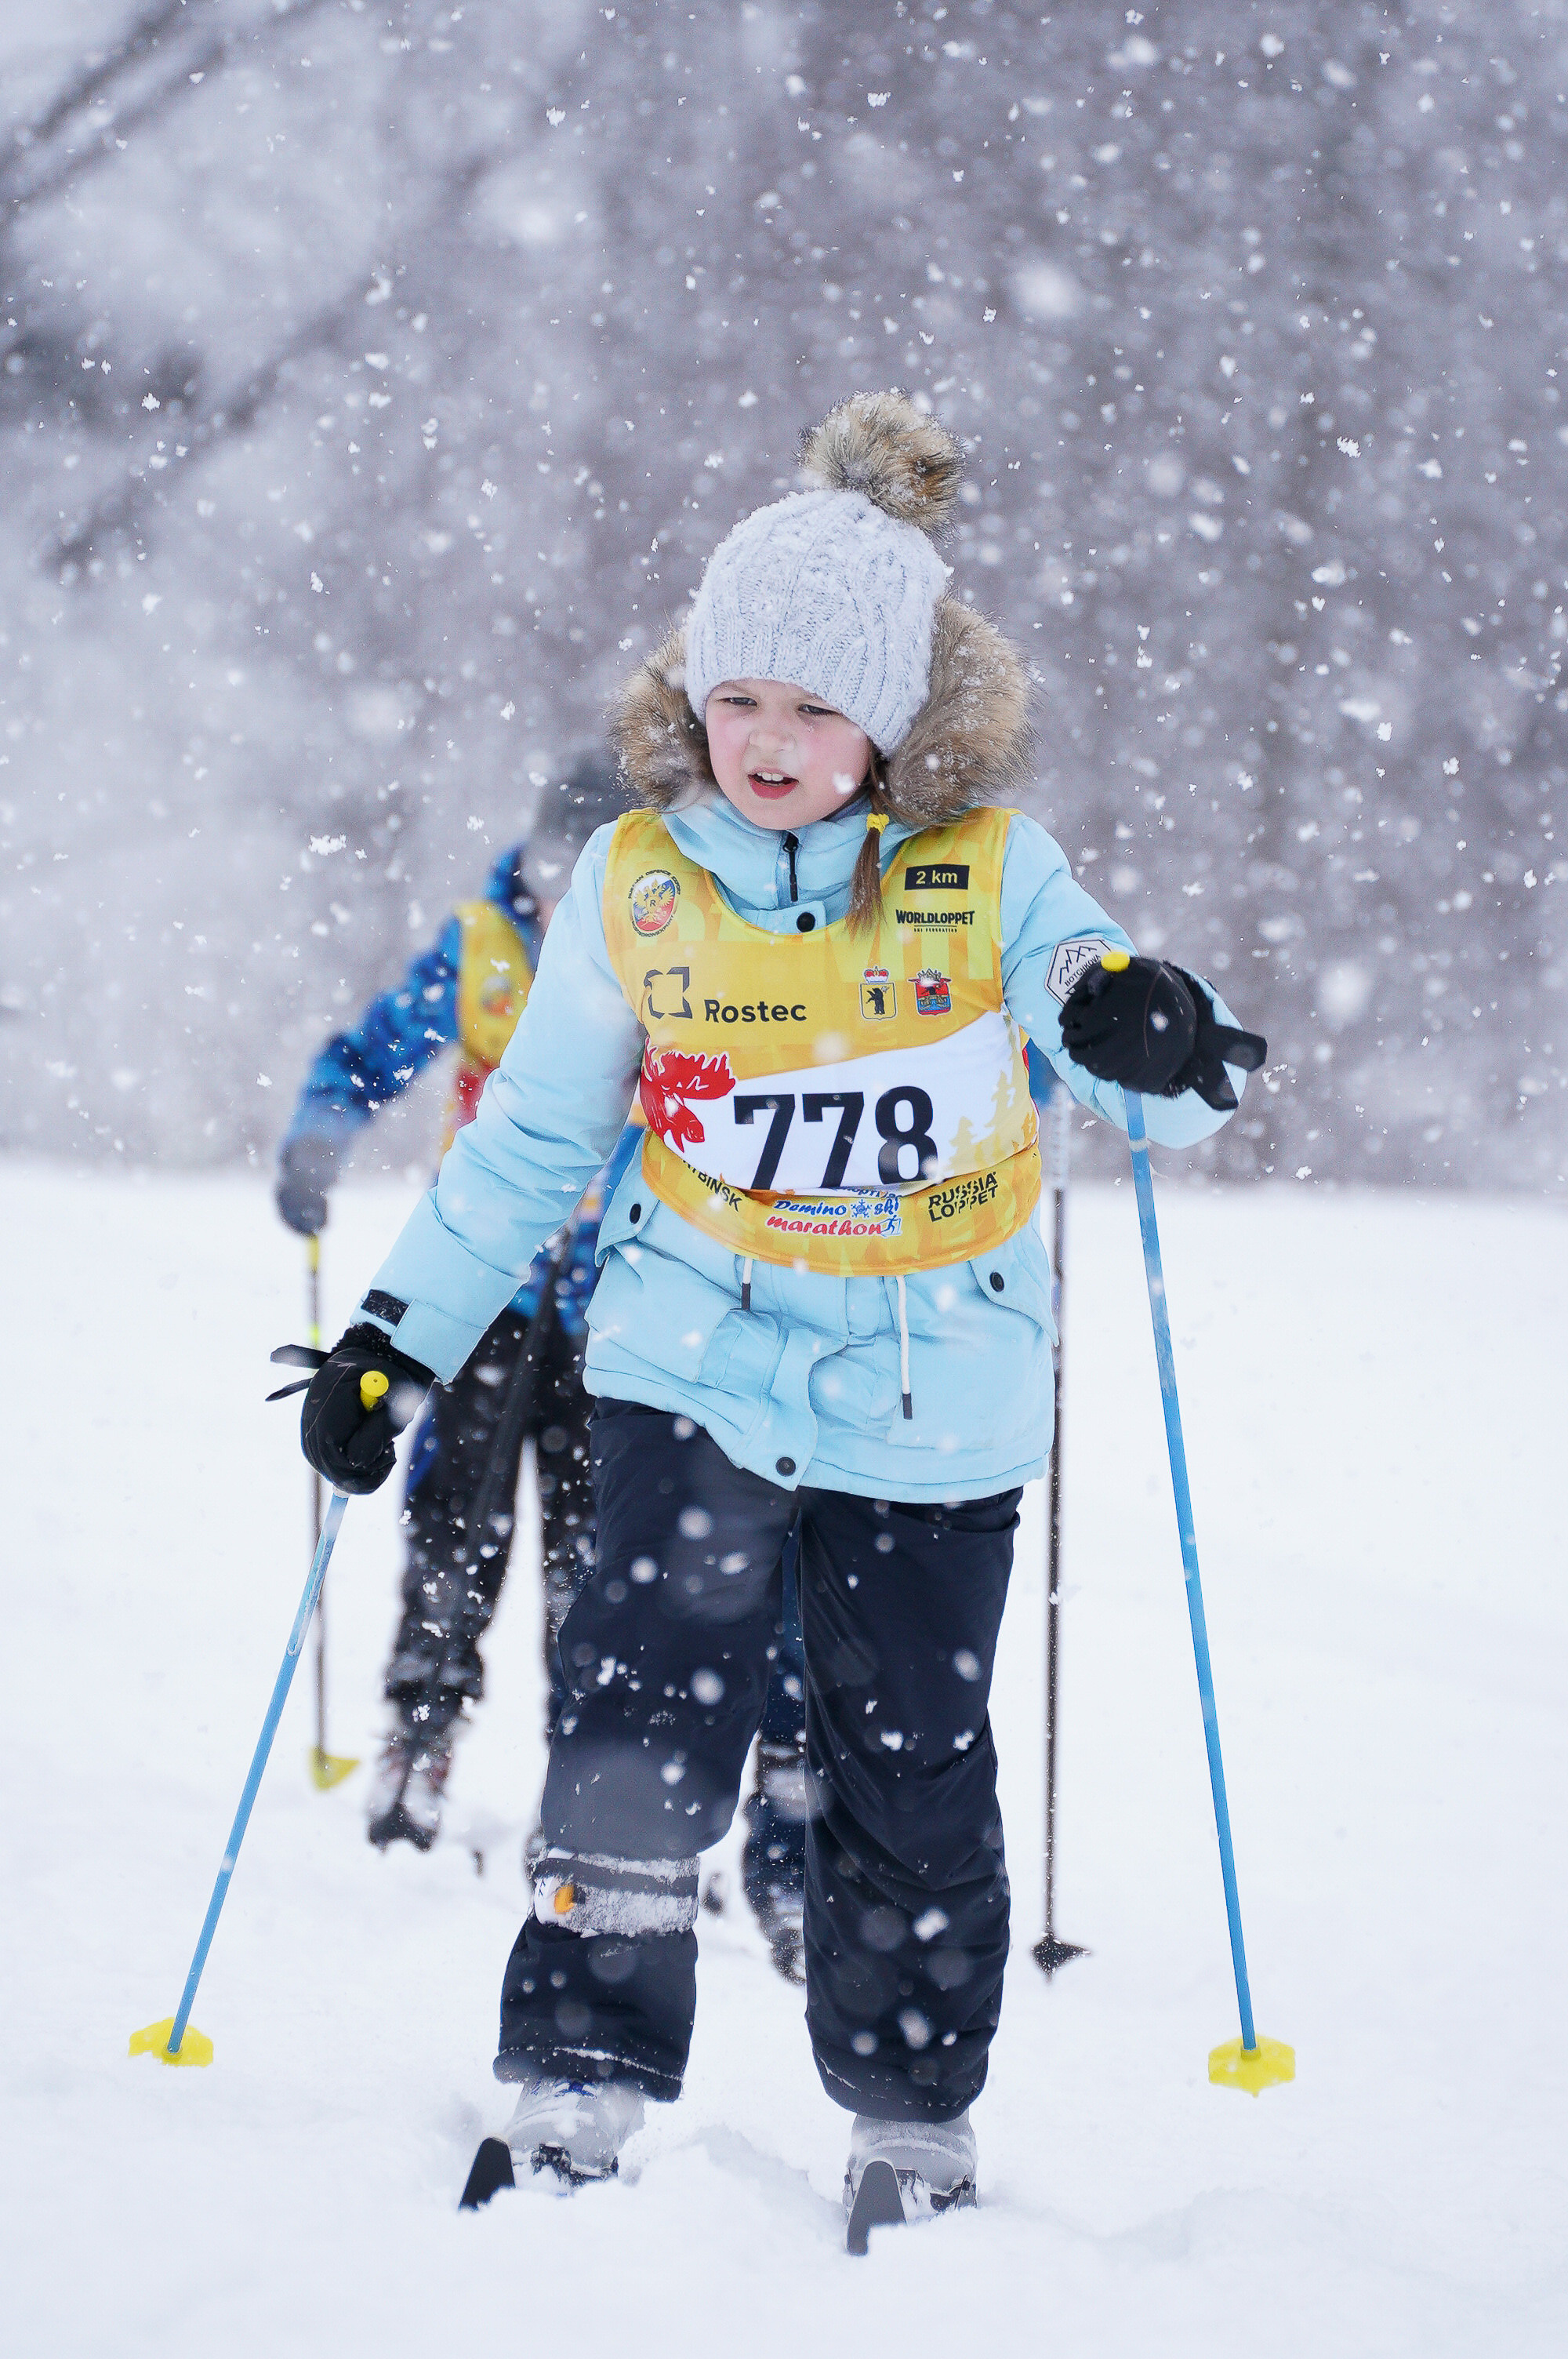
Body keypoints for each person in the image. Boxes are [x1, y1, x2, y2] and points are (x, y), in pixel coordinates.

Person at [294, 391, 1264, 2247]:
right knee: (637, 1724)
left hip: (936, 1393)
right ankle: (577, 2080)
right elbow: (529, 1150)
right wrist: (391, 1341)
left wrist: (1159, 1030)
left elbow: (1145, 1060)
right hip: (691, 1365)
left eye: (817, 708)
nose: (770, 740)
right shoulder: (638, 885)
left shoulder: (991, 874)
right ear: (693, 695)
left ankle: (909, 2117)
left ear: (893, 723)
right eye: (740, 697)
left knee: (909, 1768)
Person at [276, 754, 811, 1943]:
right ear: (531, 860)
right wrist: (324, 1129)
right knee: (456, 1525)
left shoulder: (674, 949)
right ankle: (420, 1732)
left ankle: (598, 1779)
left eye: (593, 876)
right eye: (555, 872)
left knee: (604, 1563)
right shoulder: (484, 946)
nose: (572, 899)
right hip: (491, 1303)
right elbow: (376, 1051)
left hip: (621, 1311)